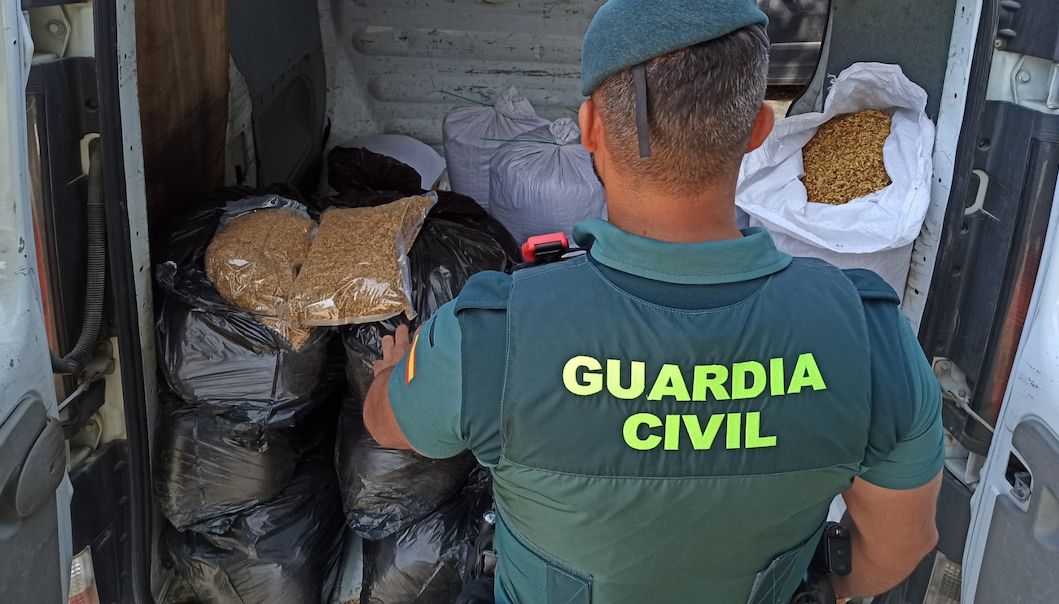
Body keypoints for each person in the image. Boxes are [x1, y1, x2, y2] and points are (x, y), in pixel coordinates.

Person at [363, 0, 944, 602]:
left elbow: (386, 424)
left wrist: (389, 375)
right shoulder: (869, 339)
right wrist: (826, 588)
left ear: (589, 128)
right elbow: (901, 543)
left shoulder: (489, 336)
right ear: (758, 132)